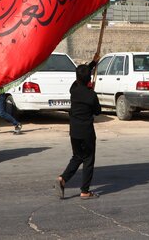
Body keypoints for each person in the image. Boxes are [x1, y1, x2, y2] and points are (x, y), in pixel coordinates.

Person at [55, 54, 101, 200]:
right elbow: (98, 111)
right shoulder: (91, 95)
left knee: (77, 156)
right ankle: (85, 191)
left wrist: (93, 63)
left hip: (74, 131)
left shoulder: (73, 90)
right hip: (87, 132)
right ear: (88, 79)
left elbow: (82, 74)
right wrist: (91, 89)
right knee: (88, 159)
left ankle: (63, 178)